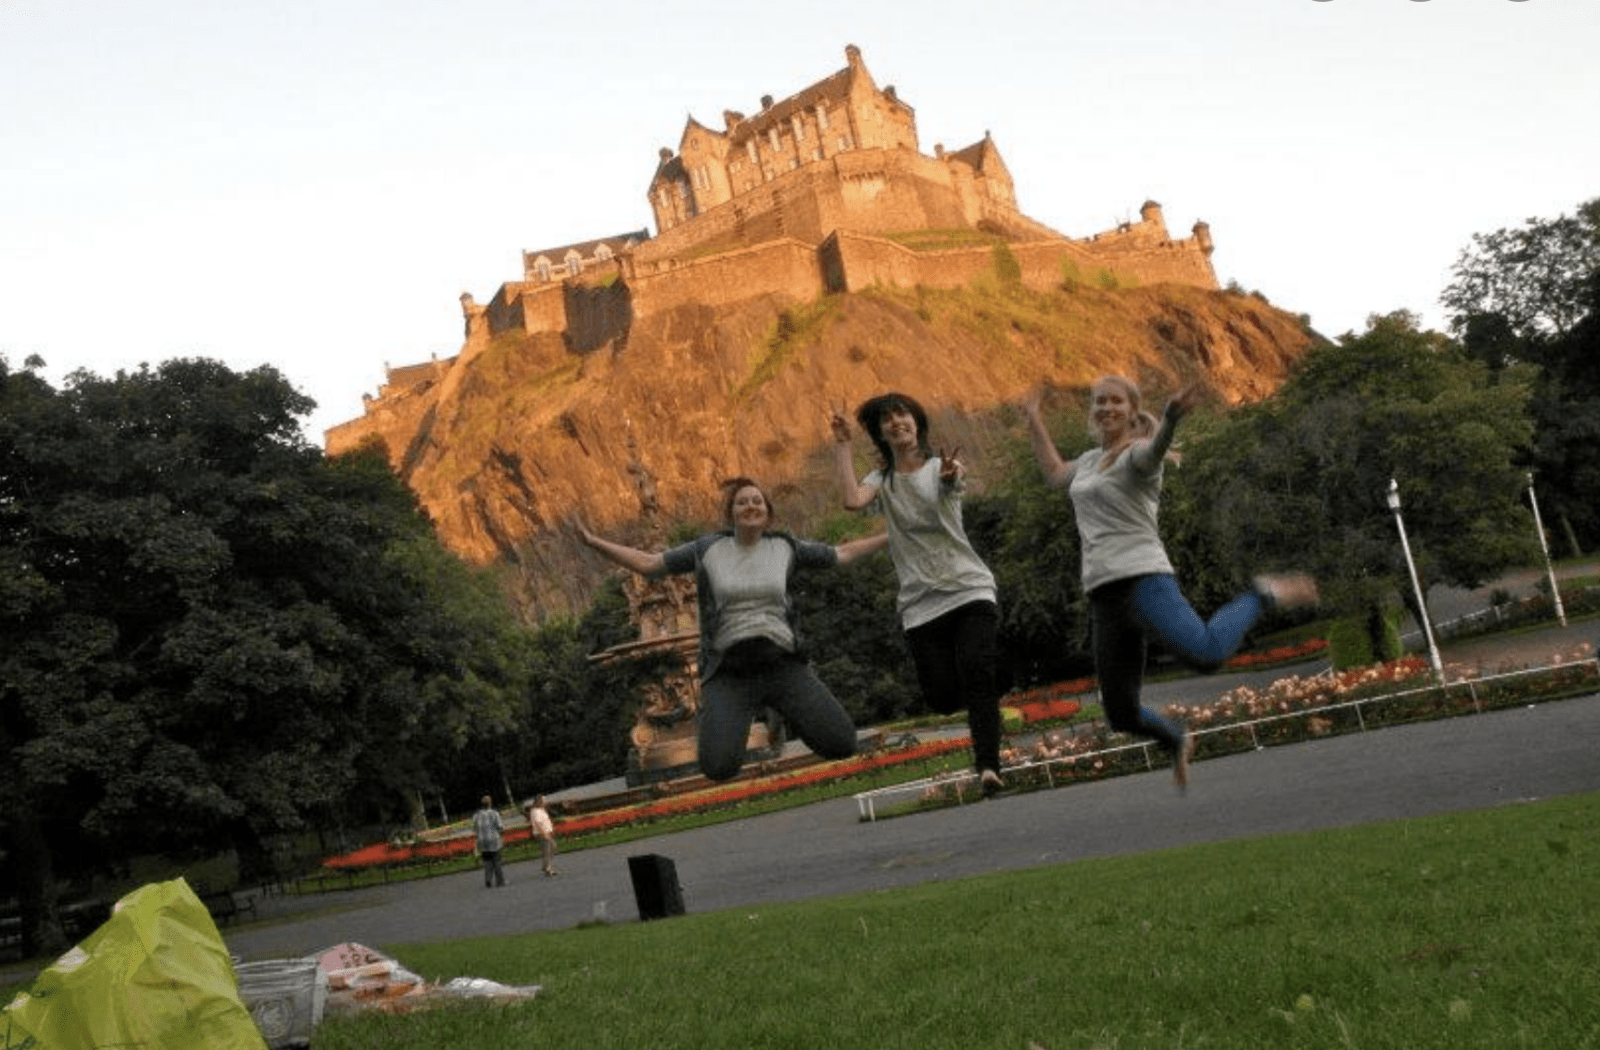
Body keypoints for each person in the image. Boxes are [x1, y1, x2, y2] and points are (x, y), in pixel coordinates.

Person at [1020, 375, 1318, 789]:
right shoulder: (1088, 462)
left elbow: (1155, 454)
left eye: (1115, 402)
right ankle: (1175, 737)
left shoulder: (1139, 455)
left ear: (1131, 410)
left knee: (1207, 654)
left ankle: (1262, 595)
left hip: (1144, 582)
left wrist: (1171, 419)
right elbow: (1054, 473)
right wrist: (1033, 419)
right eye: (1099, 401)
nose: (1106, 408)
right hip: (1104, 596)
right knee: (1121, 714)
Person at [577, 476, 888, 782]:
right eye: (742, 502)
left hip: (782, 664)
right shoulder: (708, 549)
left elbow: (843, 553)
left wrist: (890, 537)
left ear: (767, 511)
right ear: (731, 513)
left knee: (842, 744)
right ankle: (734, 713)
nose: (750, 506)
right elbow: (650, 564)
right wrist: (594, 542)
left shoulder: (785, 547)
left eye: (757, 501)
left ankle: (779, 712)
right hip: (730, 671)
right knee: (718, 767)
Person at [829, 393, 1007, 797]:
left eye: (902, 414)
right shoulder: (882, 481)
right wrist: (842, 447)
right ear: (881, 434)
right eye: (886, 420)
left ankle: (988, 768)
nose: (896, 422)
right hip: (920, 602)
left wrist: (947, 477)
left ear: (916, 421)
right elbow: (852, 500)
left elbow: (951, 482)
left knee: (978, 678)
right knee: (943, 697)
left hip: (968, 587)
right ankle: (1000, 670)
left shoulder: (941, 466)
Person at [472, 795, 506, 888]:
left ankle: (488, 879)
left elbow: (475, 829)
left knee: (487, 861)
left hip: (482, 841)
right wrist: (502, 837)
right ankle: (500, 880)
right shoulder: (494, 813)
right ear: (490, 803)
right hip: (493, 839)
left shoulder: (477, 815)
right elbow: (500, 826)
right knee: (496, 860)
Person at [525, 795, 559, 877]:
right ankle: (548, 869)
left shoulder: (542, 810)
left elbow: (546, 821)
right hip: (542, 834)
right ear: (539, 801)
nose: (545, 802)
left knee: (551, 848)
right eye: (544, 800)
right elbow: (537, 823)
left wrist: (551, 829)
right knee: (547, 850)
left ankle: (546, 866)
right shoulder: (535, 811)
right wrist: (544, 834)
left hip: (547, 832)